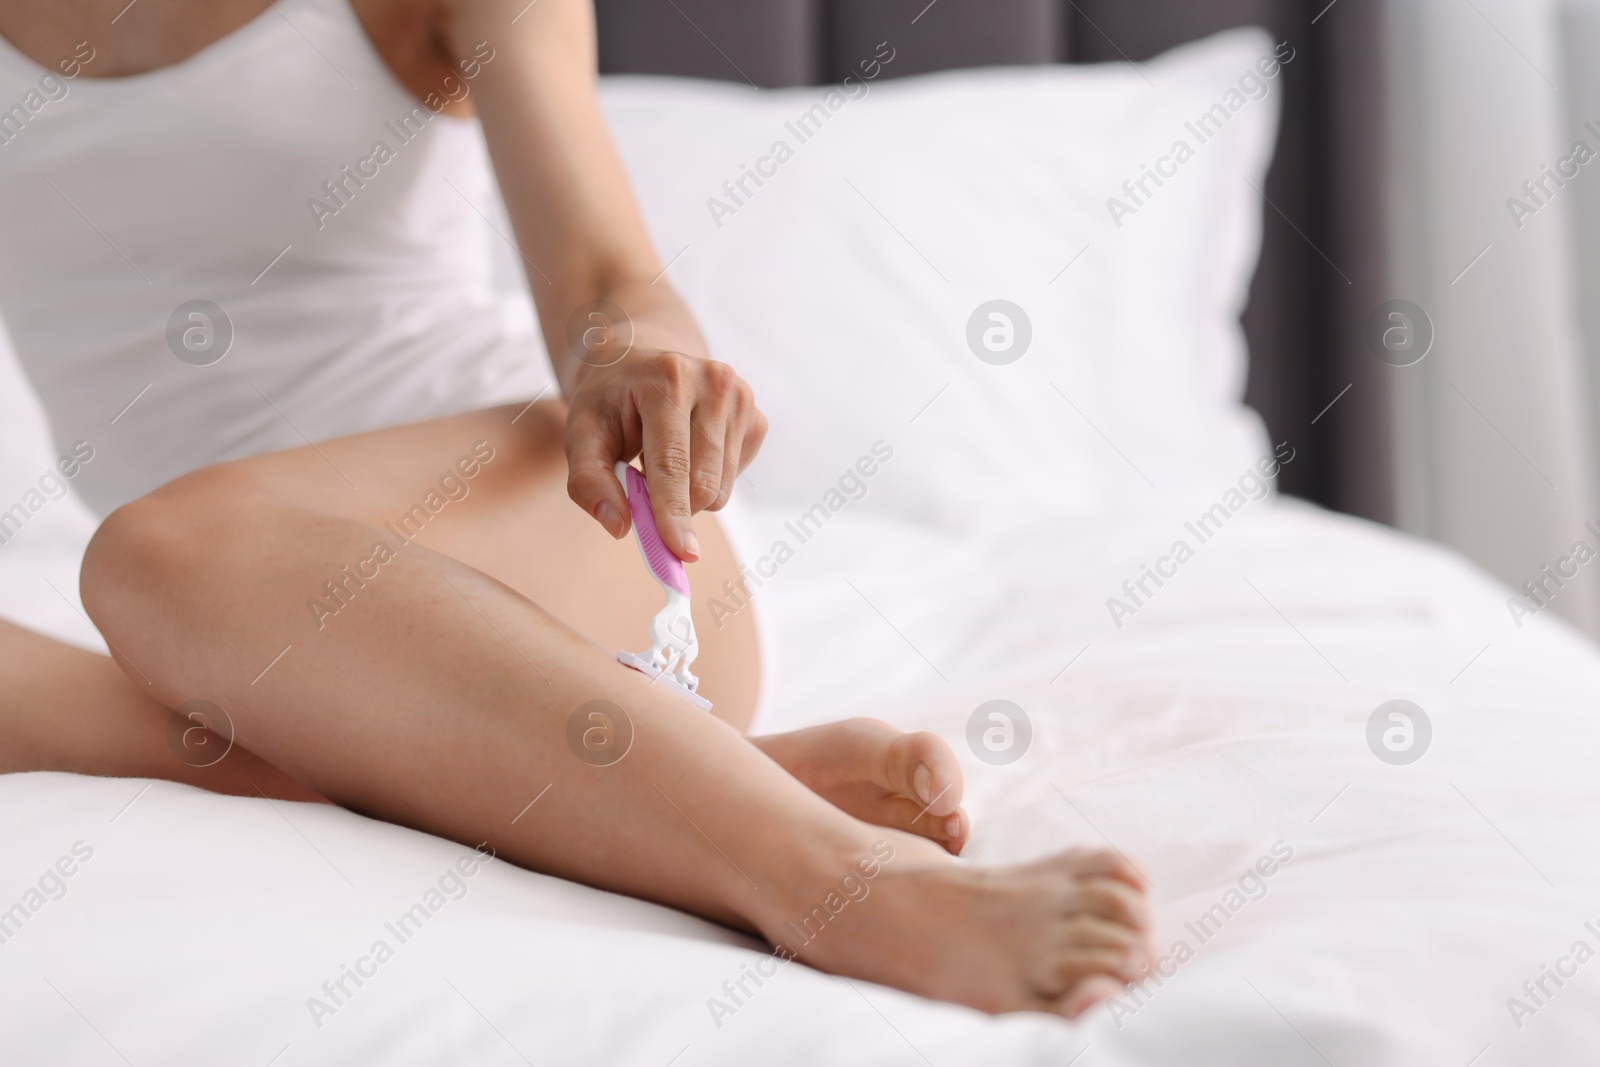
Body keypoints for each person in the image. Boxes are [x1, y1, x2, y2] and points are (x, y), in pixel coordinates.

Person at [0, 0, 1152, 1017]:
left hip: (560, 517)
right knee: (167, 571)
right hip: (220, 632)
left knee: (159, 554)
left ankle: (829, 878)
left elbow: (607, 279)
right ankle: (671, 774)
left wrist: (638, 362)